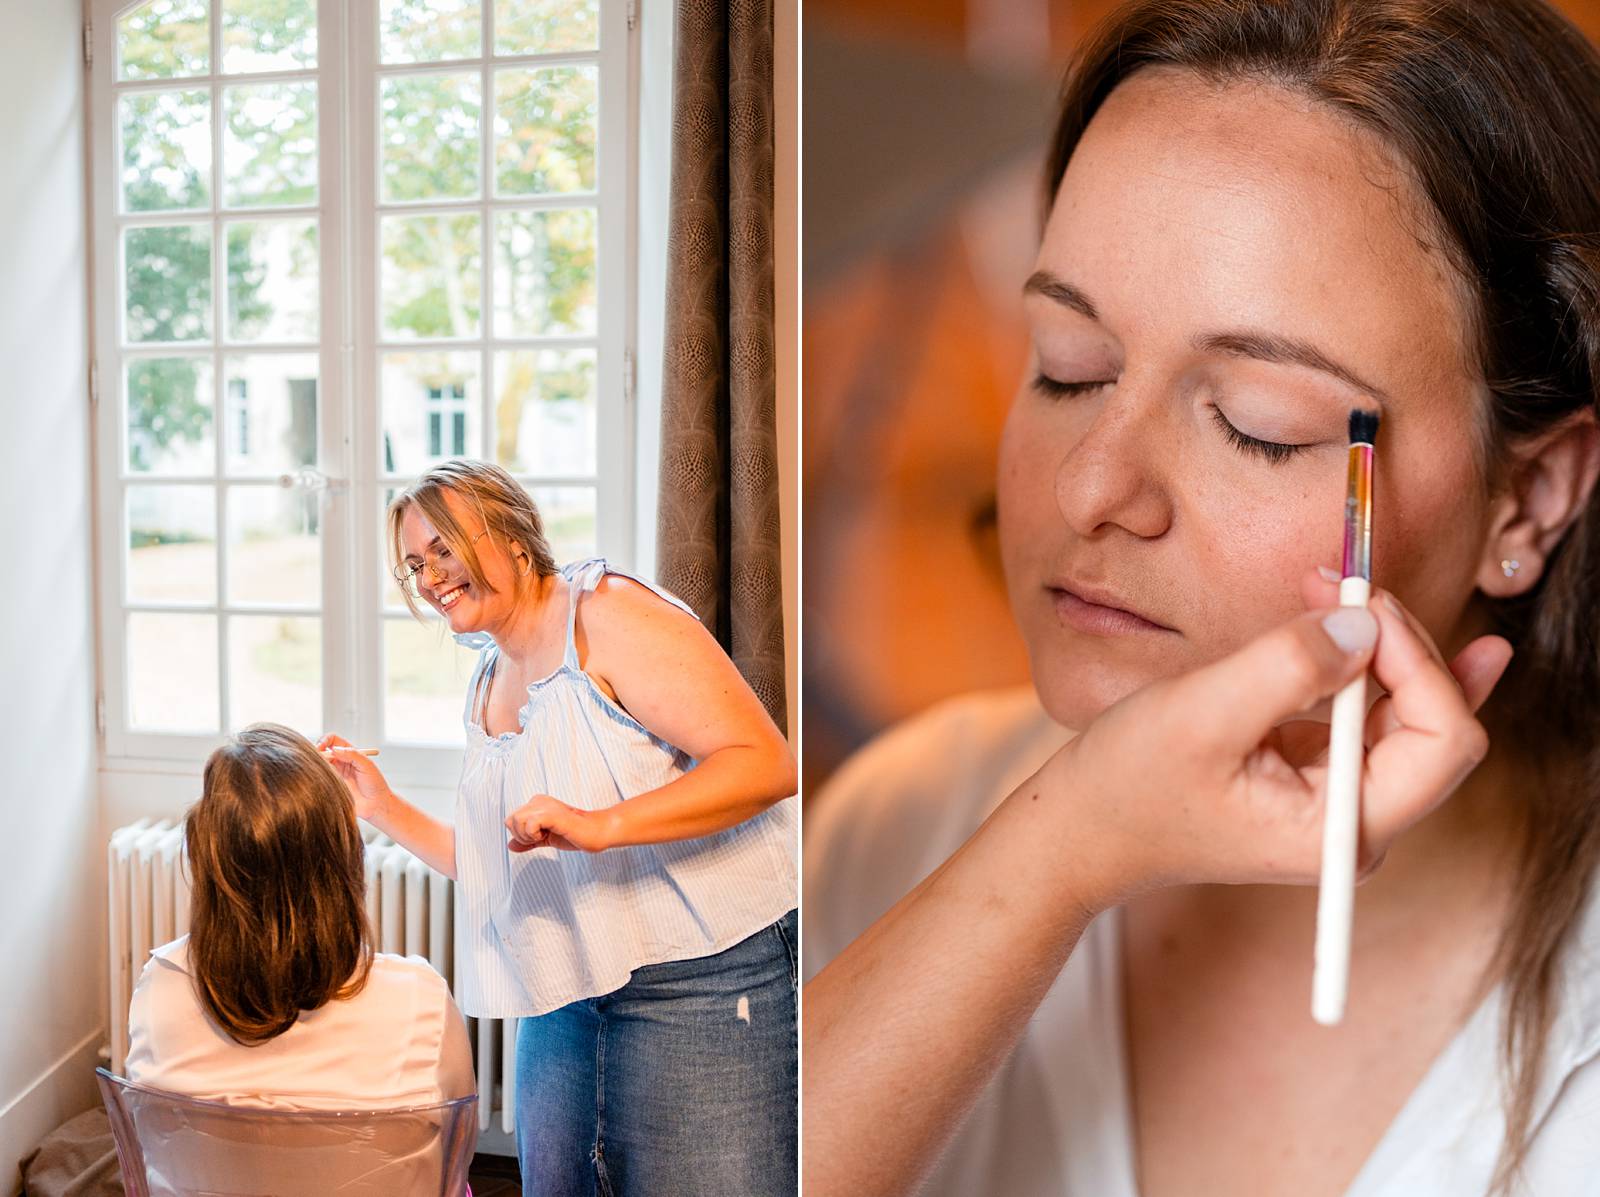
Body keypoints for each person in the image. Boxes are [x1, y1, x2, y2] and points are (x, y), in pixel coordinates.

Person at [803, 3, 1600, 1196]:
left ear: (1526, 499)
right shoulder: (905, 825)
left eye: (1256, 425)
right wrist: (1056, 855)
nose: (1089, 488)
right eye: (1066, 368)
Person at [321, 459, 798, 1197]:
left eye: (443, 548)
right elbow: (493, 860)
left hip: (705, 979)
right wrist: (378, 805)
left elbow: (765, 763)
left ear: (511, 534)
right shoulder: (489, 678)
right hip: (567, 990)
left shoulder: (605, 611)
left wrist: (604, 825)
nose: (429, 576)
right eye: (416, 563)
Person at [126, 723, 474, 1111]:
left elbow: (151, 1139)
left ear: (208, 864)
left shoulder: (161, 990)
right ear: (344, 862)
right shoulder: (419, 1002)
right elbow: (454, 1145)